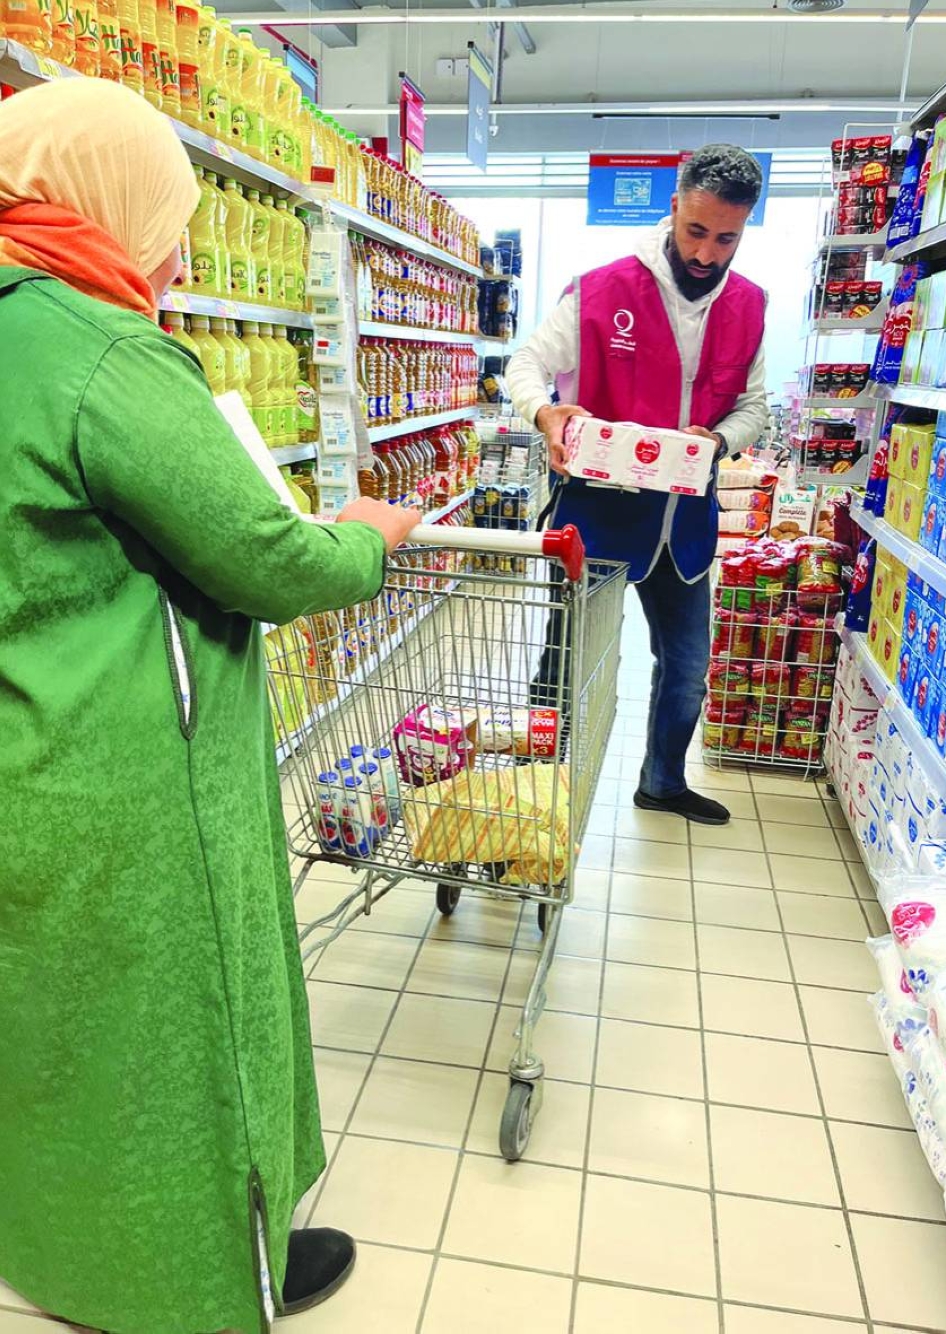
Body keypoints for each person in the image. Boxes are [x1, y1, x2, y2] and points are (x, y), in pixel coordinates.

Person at [0, 79, 420, 1333]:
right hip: (138, 781)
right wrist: (367, 536)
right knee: (183, 1031)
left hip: (30, 758)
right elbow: (263, 558)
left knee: (54, 1033)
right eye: (169, 223)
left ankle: (60, 1259)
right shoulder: (103, 351)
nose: (180, 259)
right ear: (105, 201)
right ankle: (194, 1281)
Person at [507, 144, 769, 827]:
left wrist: (720, 440)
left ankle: (662, 782)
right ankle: (534, 787)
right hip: (598, 517)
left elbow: (754, 407)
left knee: (686, 665)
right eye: (696, 231)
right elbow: (527, 363)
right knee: (566, 661)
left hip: (684, 526)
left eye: (726, 239)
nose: (707, 254)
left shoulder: (749, 307)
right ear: (674, 206)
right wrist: (545, 414)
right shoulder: (602, 289)